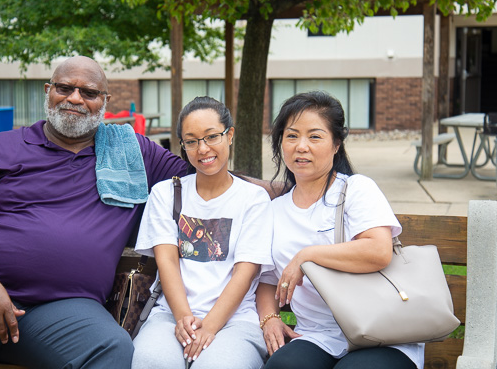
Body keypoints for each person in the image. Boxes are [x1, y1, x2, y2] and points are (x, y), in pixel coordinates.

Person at [0, 56, 188, 369]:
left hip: (61, 312)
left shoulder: (134, 153)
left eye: (89, 93)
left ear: (104, 101)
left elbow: (209, 180)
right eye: (65, 88)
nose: (75, 98)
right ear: (48, 90)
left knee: (111, 348)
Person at [256, 91, 424, 369]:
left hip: (381, 331)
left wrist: (307, 256)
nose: (301, 146)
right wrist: (269, 318)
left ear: (336, 144)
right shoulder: (275, 211)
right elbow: (268, 280)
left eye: (315, 136)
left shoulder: (356, 189)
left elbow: (379, 250)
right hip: (316, 335)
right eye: (292, 135)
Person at [131, 97, 273, 369]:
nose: (203, 149)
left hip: (235, 322)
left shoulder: (254, 200)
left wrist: (209, 327)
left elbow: (245, 272)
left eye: (211, 137)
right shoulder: (165, 193)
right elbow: (167, 262)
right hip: (171, 315)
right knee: (151, 361)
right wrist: (184, 318)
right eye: (192, 141)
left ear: (229, 135)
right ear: (183, 146)